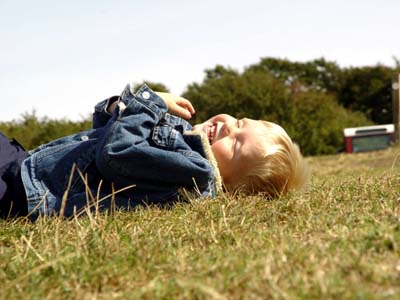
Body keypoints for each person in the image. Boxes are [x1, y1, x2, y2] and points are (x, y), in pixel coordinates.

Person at [0, 83, 308, 220]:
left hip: (23, 190)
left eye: (238, 145)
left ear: (233, 186)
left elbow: (117, 153)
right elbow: (104, 136)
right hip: (26, 166)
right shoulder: (184, 144)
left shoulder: (194, 172)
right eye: (240, 122)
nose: (229, 127)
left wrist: (151, 102)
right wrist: (114, 108)